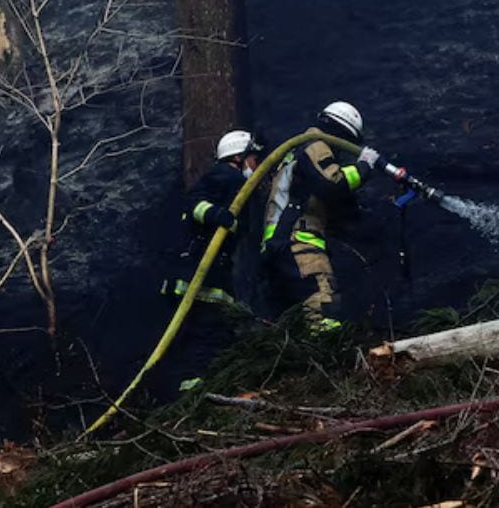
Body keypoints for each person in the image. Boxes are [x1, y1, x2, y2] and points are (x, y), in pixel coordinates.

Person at [261, 101, 381, 334]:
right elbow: (331, 184)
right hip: (299, 241)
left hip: (280, 242)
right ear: (341, 132)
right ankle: (330, 356)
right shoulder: (315, 145)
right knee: (321, 302)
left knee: (292, 317)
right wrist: (363, 168)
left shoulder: (295, 151)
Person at [159, 129, 265, 393]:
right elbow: (193, 204)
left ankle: (198, 392)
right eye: (254, 159)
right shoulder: (225, 176)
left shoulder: (233, 182)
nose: (257, 166)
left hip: (205, 276)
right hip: (196, 275)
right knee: (204, 335)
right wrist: (217, 215)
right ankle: (195, 395)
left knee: (205, 337)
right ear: (239, 157)